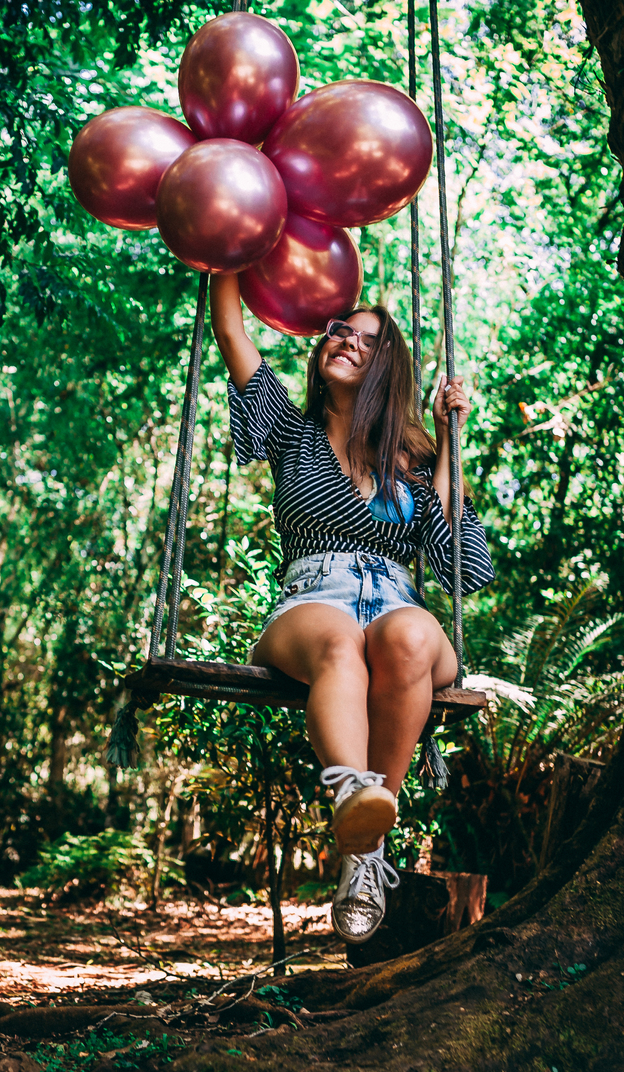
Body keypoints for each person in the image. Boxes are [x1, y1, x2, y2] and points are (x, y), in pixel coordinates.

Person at [210, 273, 494, 942]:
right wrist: (231, 243)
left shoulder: (412, 460)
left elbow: (462, 570)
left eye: (368, 341)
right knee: (341, 643)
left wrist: (448, 445)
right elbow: (230, 328)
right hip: (314, 596)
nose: (347, 342)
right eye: (340, 331)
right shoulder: (291, 429)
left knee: (411, 635)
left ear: (386, 368)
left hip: (397, 602)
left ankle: (365, 851)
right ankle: (357, 809)